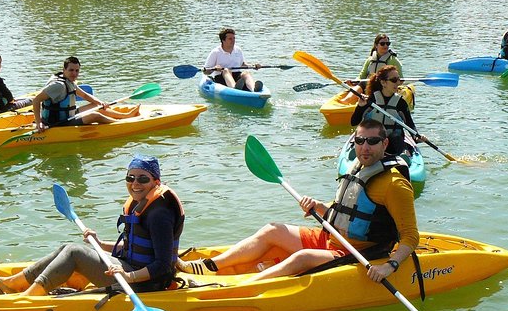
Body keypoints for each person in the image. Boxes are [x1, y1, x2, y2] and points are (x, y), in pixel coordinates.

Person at [178, 119, 419, 283]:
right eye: (359, 141)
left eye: (372, 141)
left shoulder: (395, 184)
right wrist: (319, 206)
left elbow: (410, 237)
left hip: (357, 253)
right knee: (272, 229)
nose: (365, 147)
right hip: (329, 238)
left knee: (301, 258)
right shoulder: (358, 168)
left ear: (385, 144)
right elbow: (344, 209)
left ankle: (244, 286)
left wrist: (390, 266)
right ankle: (208, 266)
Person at [0, 154, 185, 296]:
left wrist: (128, 276)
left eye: (143, 179)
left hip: (147, 283)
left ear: (156, 182)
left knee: (75, 252)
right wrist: (100, 243)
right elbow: (136, 248)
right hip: (131, 269)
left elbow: (163, 265)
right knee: (66, 248)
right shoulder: (143, 204)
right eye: (130, 177)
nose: (135, 183)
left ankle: (27, 296)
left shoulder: (159, 213)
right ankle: (15, 282)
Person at [32, 56, 140, 133]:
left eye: (77, 71)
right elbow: (36, 100)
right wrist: (38, 123)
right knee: (95, 115)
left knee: (97, 106)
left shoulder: (68, 81)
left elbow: (85, 95)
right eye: (71, 70)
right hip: (58, 122)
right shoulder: (58, 86)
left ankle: (126, 116)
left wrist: (101, 103)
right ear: (64, 70)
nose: (74, 74)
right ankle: (121, 124)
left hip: (69, 115)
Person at [350, 65, 424, 156]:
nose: (398, 83)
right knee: (370, 138)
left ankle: (404, 157)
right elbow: (353, 122)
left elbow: (410, 124)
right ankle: (359, 155)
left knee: (396, 137)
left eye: (398, 80)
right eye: (394, 80)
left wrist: (416, 136)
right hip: (372, 142)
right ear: (383, 83)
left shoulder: (400, 103)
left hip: (393, 143)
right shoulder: (371, 100)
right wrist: (360, 106)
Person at [203, 27, 263, 92]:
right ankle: (234, 89)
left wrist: (254, 66)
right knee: (226, 70)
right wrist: (214, 68)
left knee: (246, 73)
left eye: (234, 38)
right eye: (230, 39)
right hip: (221, 77)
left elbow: (242, 64)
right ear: (223, 40)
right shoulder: (215, 52)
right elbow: (205, 71)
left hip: (237, 76)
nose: (233, 40)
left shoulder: (238, 50)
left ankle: (253, 89)